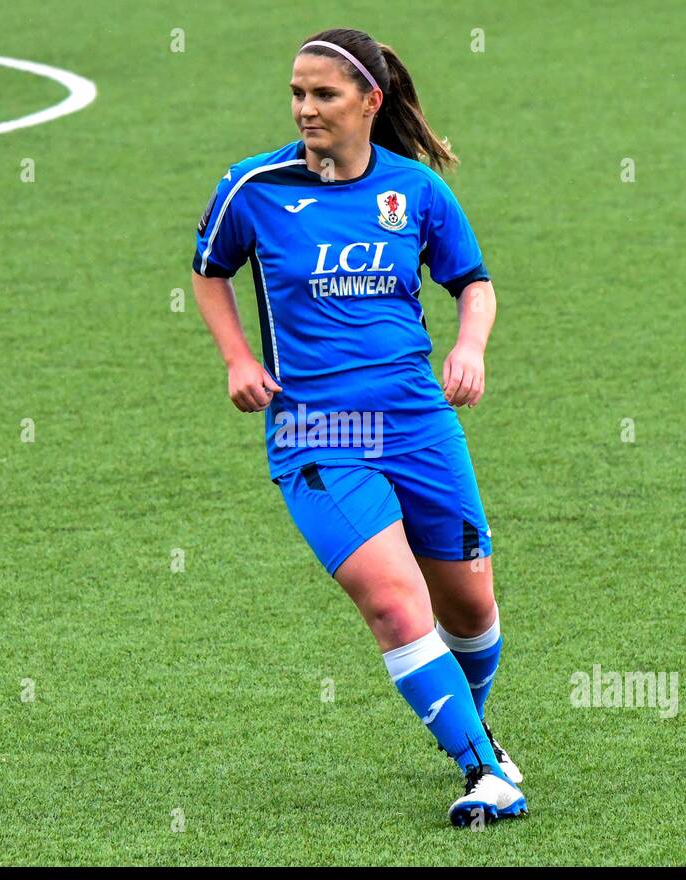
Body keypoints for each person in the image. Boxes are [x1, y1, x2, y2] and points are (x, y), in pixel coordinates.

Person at [191, 27, 524, 826]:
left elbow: (473, 283)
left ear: (370, 101)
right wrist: (238, 359)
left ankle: (474, 732)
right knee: (395, 607)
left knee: (471, 611)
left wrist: (469, 345)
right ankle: (485, 771)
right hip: (318, 435)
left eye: (325, 95)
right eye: (298, 94)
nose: (306, 109)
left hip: (418, 422)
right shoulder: (253, 189)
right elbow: (209, 272)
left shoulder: (415, 192)